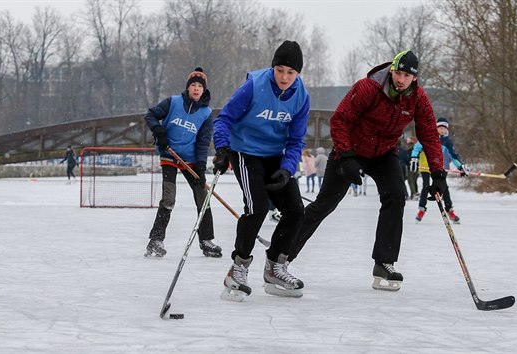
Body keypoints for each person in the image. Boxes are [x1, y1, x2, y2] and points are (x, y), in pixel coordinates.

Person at [288, 50, 447, 291]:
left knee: (396, 196)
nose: (401, 79)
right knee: (326, 203)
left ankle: (384, 261)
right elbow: (339, 120)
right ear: (392, 70)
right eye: (399, 73)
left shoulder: (417, 99)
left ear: (414, 78)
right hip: (351, 150)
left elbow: (429, 134)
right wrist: (346, 155)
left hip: (384, 154)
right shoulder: (368, 87)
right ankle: (283, 255)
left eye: (407, 76)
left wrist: (438, 173)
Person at [212, 40, 310, 301]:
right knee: (258, 207)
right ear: (273, 68)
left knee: (295, 210)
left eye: (291, 72)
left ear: (298, 73)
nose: (284, 77)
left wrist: (287, 169)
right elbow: (224, 119)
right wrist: (222, 150)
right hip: (245, 151)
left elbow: (296, 140)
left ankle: (276, 267)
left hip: (276, 156)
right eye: (280, 70)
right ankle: (238, 267)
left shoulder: (302, 96)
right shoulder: (254, 86)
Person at [143, 67, 222, 258]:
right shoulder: (173, 102)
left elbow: (203, 141)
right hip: (170, 156)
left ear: (204, 90)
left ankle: (206, 241)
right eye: (193, 85)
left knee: (203, 197)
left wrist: (201, 165)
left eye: (199, 86)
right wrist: (159, 132)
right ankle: (155, 240)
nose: (196, 89)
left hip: (191, 160)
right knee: (169, 198)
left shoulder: (205, 113)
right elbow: (150, 116)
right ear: (188, 88)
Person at [411, 117, 469, 223]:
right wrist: (414, 159)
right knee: (426, 186)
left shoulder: (447, 141)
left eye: (445, 128)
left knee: (444, 188)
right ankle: (421, 210)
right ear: (436, 127)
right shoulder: (428, 136)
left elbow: (453, 156)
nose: (443, 130)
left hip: (439, 168)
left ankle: (450, 211)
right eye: (441, 128)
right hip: (426, 166)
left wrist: (460, 167)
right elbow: (417, 148)